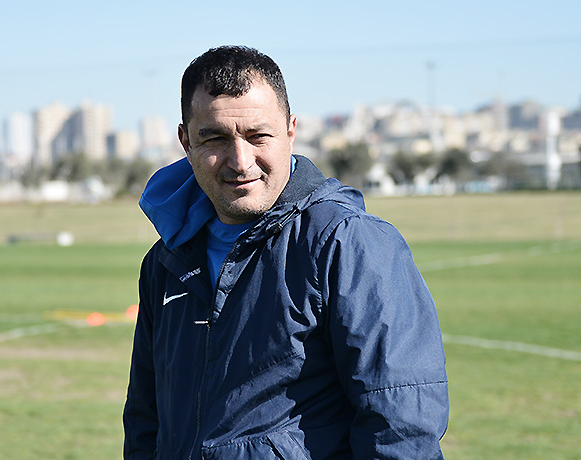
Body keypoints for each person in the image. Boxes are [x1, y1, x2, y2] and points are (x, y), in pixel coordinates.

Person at [123, 45, 449, 459]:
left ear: (291, 130)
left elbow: (401, 424)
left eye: (258, 136)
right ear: (185, 140)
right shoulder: (166, 261)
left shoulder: (348, 242)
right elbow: (146, 420)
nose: (240, 161)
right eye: (215, 138)